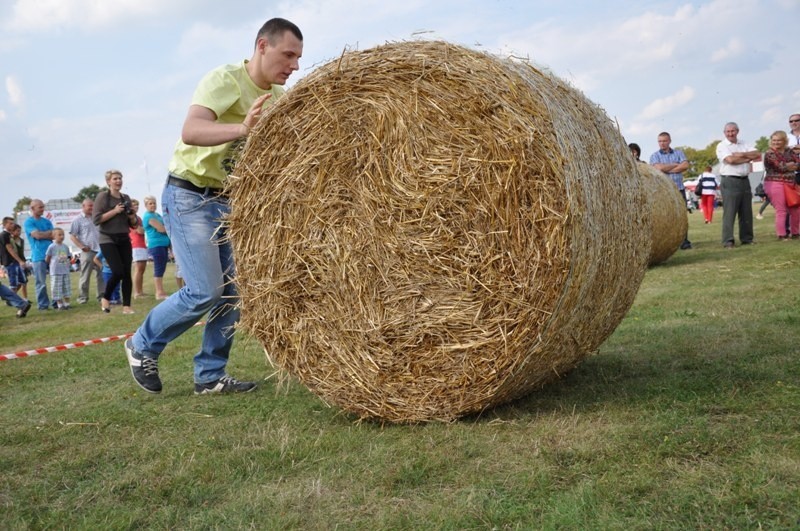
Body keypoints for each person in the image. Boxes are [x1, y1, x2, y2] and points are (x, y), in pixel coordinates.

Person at [124, 17, 303, 395]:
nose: (295, 65)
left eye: (299, 57)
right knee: (205, 289)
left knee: (234, 291)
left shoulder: (279, 99)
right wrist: (243, 129)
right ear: (262, 46)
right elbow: (192, 130)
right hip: (189, 195)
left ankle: (209, 376)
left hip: (228, 202)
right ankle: (141, 344)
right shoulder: (224, 80)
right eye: (288, 54)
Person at [93, 169, 139, 314]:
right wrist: (115, 211)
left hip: (124, 237)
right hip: (107, 238)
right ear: (108, 182)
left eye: (120, 178)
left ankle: (127, 306)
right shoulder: (102, 197)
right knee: (117, 271)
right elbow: (96, 220)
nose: (118, 181)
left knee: (126, 273)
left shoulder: (126, 197)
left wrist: (132, 216)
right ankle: (105, 297)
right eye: (115, 179)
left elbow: (134, 224)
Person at [715, 122, 762, 248]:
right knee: (730, 212)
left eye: (733, 131)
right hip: (730, 180)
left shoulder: (744, 143)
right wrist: (747, 157)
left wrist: (740, 155)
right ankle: (728, 240)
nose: (730, 134)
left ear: (737, 131)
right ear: (724, 133)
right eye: (728, 131)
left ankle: (747, 238)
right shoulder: (722, 146)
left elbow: (757, 154)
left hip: (744, 179)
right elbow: (730, 161)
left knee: (746, 211)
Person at [650, 132, 692, 249]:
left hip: (679, 189)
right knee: (666, 217)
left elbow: (685, 166)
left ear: (669, 141)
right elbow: (658, 168)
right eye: (660, 141)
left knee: (682, 217)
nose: (662, 143)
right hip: (664, 192)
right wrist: (675, 164)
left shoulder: (679, 153)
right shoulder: (655, 156)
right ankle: (668, 243)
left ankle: (684, 242)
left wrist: (667, 169)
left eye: (664, 141)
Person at [763, 130, 800, 240]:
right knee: (781, 209)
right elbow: (780, 167)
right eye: (774, 140)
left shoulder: (789, 151)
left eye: (779, 140)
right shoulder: (770, 153)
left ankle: (795, 233)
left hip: (790, 183)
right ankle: (782, 234)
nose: (776, 142)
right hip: (774, 183)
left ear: (784, 141)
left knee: (796, 209)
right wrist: (791, 165)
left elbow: (798, 163)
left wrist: (791, 165)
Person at [69, 198, 105, 304]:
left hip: (100, 250)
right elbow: (72, 236)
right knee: (85, 275)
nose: (92, 208)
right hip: (88, 251)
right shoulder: (77, 220)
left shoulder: (97, 218)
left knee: (101, 274)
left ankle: (101, 296)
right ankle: (83, 298)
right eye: (89, 206)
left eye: (93, 206)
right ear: (83, 206)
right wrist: (81, 246)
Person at [23, 199, 54, 310]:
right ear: (32, 208)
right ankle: (43, 305)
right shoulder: (28, 222)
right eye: (40, 207)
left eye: (43, 207)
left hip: (52, 254)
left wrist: (42, 234)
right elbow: (37, 236)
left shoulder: (47, 221)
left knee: (57, 279)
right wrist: (46, 234)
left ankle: (57, 302)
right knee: (41, 282)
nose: (42, 209)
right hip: (38, 255)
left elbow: (54, 235)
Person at [142, 195, 171, 300]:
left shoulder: (157, 215)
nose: (153, 205)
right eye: (150, 203)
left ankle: (161, 291)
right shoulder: (148, 216)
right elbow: (162, 229)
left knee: (162, 267)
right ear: (146, 205)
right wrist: (170, 228)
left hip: (163, 245)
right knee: (159, 268)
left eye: (154, 203)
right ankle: (159, 293)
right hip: (156, 245)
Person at [45, 227, 73, 310]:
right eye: (59, 235)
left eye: (63, 234)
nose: (62, 236)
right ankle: (60, 305)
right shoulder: (51, 246)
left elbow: (68, 257)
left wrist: (67, 264)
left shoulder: (65, 247)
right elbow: (47, 258)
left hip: (65, 271)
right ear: (54, 236)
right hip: (56, 272)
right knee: (57, 289)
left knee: (66, 288)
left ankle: (67, 304)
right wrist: (52, 264)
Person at [1, 217, 27, 299]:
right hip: (10, 262)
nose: (13, 225)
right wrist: (20, 261)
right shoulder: (4, 235)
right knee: (13, 284)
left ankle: (10, 297)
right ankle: (12, 300)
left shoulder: (10, 235)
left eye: (13, 223)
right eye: (10, 223)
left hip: (15, 261)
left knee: (22, 281)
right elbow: (10, 249)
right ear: (5, 225)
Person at [129, 199, 149, 298]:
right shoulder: (130, 218)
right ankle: (137, 292)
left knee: (142, 269)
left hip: (142, 244)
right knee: (138, 269)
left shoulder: (139, 218)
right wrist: (142, 229)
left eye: (137, 205)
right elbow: (140, 231)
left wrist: (142, 229)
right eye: (134, 205)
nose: (136, 207)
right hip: (135, 245)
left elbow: (142, 230)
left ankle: (140, 291)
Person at [8, 223, 28, 299]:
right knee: (17, 283)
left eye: (20, 231)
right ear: (12, 232)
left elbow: (21, 252)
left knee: (24, 282)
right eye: (17, 231)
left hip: (22, 262)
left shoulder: (22, 240)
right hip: (14, 262)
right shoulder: (10, 241)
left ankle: (25, 298)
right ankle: (11, 296)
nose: (19, 233)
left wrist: (24, 261)